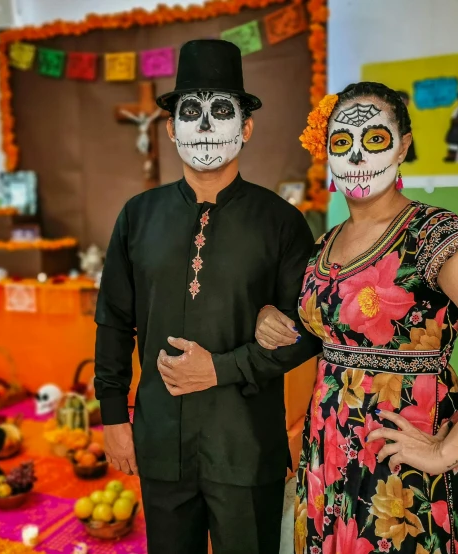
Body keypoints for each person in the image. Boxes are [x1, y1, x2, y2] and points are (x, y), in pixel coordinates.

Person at [256, 82, 458, 553]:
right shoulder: (325, 243)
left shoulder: (431, 234)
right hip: (329, 449)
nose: (355, 155)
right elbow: (322, 327)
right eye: (341, 142)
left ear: (404, 145)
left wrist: (447, 450)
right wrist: (270, 317)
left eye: (374, 138)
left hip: (402, 460)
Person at [93, 39, 319, 554]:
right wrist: (112, 415)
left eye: (221, 111)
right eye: (190, 112)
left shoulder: (281, 222)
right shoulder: (138, 216)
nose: (205, 126)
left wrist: (221, 369)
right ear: (171, 128)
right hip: (160, 442)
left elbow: (309, 331)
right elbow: (113, 318)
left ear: (246, 127)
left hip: (244, 446)